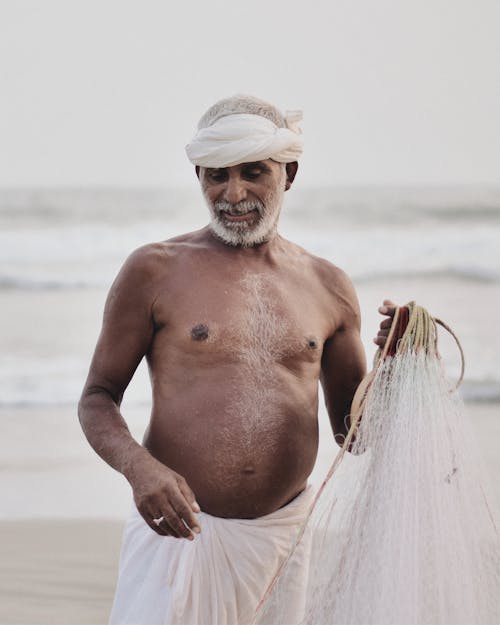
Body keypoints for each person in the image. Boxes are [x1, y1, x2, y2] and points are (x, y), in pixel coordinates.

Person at [78, 94, 394, 625]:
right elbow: (96, 398)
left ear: (288, 174)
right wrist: (140, 470)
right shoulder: (154, 270)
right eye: (216, 176)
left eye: (253, 173)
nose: (234, 193)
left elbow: (355, 433)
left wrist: (398, 359)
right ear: (198, 176)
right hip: (178, 539)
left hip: (282, 543)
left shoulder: (329, 286)